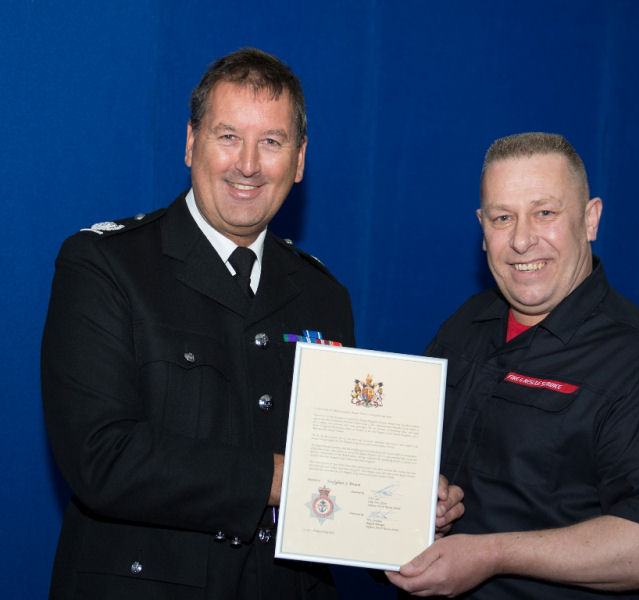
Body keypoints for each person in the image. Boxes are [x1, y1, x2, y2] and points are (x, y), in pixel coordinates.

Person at [42, 48, 462, 599]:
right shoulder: (105, 266)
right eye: (227, 136)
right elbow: (102, 460)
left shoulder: (323, 294)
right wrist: (278, 479)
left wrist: (401, 506)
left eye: (272, 141)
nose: (248, 164)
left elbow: (338, 477)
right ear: (191, 142)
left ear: (299, 160)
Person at [387, 132, 639, 599]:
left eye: (545, 213)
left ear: (590, 219)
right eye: (503, 218)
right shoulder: (464, 328)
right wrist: (423, 502)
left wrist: (490, 554)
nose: (522, 240)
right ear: (482, 229)